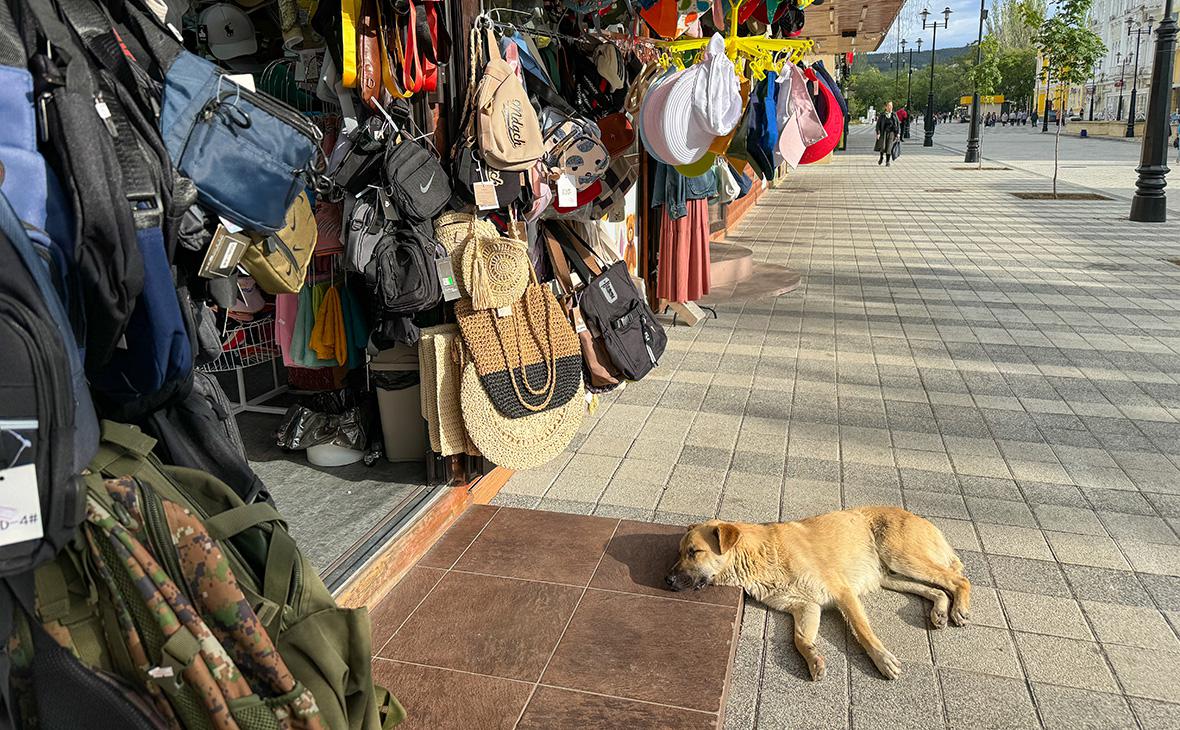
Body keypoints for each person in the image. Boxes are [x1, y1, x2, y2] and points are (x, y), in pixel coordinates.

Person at [876, 101, 900, 166]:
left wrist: (897, 133)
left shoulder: (894, 114)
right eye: (889, 106)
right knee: (883, 147)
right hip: (883, 132)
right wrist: (878, 133)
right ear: (886, 107)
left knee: (889, 147)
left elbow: (897, 124)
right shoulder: (882, 115)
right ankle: (881, 157)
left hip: (891, 133)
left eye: (891, 106)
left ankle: (887, 161)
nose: (890, 107)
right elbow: (878, 125)